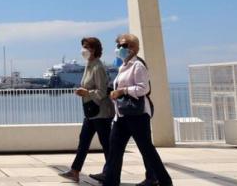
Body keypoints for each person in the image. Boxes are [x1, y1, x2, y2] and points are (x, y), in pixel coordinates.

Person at [101, 34, 172, 186]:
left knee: (147, 150)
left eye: (124, 45)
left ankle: (165, 181)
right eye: (119, 45)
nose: (120, 48)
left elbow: (143, 88)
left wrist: (123, 91)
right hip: (121, 115)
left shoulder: (137, 65)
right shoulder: (124, 65)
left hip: (137, 115)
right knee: (114, 151)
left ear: (134, 48)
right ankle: (110, 182)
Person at [60, 37, 113, 182]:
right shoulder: (88, 65)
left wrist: (86, 93)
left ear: (94, 50)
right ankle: (75, 171)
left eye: (86, 47)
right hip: (91, 112)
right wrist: (82, 91)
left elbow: (102, 92)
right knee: (83, 141)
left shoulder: (98, 67)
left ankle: (111, 174)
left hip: (101, 112)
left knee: (106, 144)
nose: (83, 50)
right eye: (83, 46)